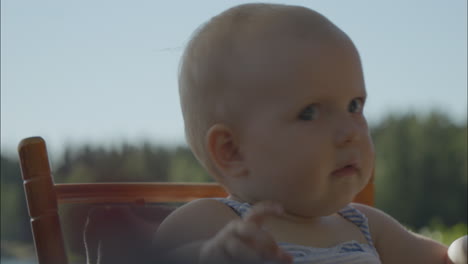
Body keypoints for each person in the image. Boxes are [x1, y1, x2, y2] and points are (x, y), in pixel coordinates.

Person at [152, 3, 467, 264]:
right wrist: (216, 255)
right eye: (310, 112)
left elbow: (442, 260)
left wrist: (460, 251)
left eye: (354, 105)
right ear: (233, 151)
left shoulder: (365, 224)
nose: (349, 132)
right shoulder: (213, 223)